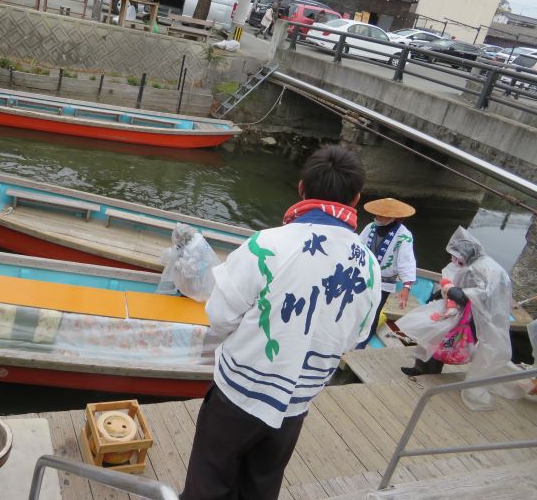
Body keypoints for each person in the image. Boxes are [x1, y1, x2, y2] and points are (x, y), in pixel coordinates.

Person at [180, 145, 381, 500]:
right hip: (297, 403)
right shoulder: (368, 264)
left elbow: (219, 315)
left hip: (237, 394)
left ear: (302, 188)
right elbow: (358, 335)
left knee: (207, 484)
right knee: (261, 485)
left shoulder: (266, 244)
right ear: (356, 198)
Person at [397, 227, 512, 411]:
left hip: (472, 318)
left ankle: (430, 373)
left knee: (441, 341)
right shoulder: (476, 264)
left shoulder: (477, 270)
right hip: (461, 312)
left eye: (455, 256)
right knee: (433, 335)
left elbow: (473, 297)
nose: (452, 259)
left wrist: (450, 290)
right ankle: (420, 368)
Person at [355, 198, 417, 349]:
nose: (377, 217)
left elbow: (406, 261)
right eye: (377, 215)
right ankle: (352, 332)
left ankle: (363, 340)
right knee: (358, 305)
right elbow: (358, 245)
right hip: (364, 275)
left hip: (384, 281)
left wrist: (406, 286)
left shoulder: (404, 235)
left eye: (381, 215)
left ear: (393, 217)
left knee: (374, 309)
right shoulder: (371, 227)